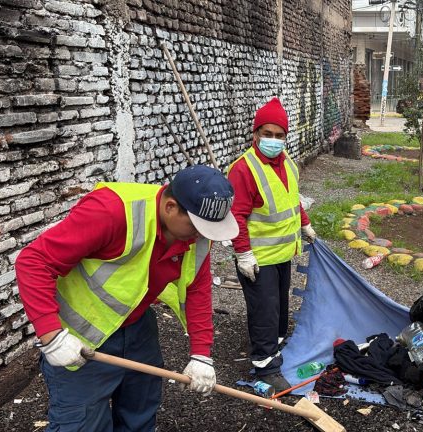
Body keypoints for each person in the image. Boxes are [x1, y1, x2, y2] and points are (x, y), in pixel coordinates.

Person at [16, 165, 239, 431]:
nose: (203, 235)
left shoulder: (199, 232)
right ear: (170, 207)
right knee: (81, 424)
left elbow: (197, 288)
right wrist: (51, 335)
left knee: (139, 416)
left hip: (138, 328)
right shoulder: (111, 212)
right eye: (197, 226)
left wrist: (202, 355)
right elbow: (33, 261)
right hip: (80, 336)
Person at [227, 97, 317, 392]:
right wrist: (243, 253)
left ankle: (275, 348)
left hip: (282, 253)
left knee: (278, 307)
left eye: (280, 135)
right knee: (264, 310)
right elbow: (237, 215)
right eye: (268, 134)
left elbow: (292, 199)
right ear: (255, 134)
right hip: (257, 257)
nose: (274, 140)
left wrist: (304, 224)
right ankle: (264, 365)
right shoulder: (243, 169)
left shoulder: (288, 163)